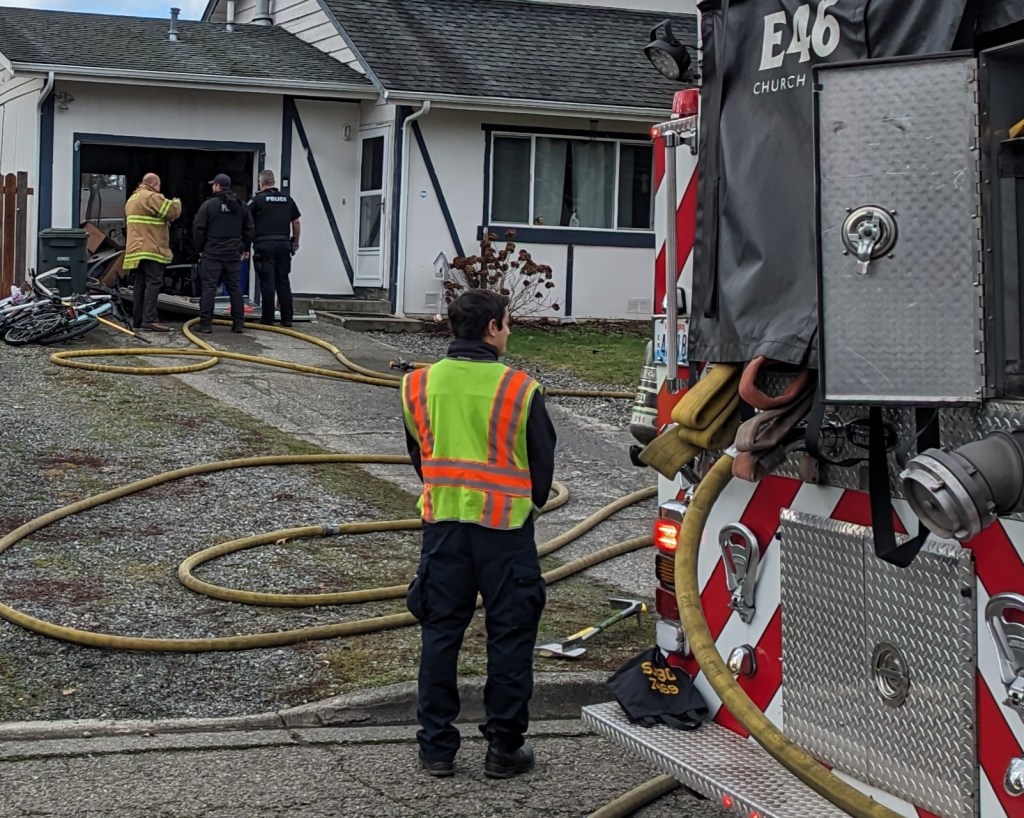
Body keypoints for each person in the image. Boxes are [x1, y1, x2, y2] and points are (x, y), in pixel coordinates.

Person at [401, 289, 557, 780]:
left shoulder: (417, 384)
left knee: (440, 633)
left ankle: (436, 749)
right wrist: (522, 504)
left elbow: (420, 454)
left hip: (443, 528)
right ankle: (503, 749)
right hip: (505, 532)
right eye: (507, 323)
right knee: (509, 636)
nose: (509, 331)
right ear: (492, 327)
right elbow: (542, 468)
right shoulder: (520, 389)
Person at [193, 173, 254, 334]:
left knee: (209, 288)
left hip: (212, 253)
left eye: (213, 185)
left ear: (218, 186)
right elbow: (249, 229)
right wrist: (245, 248)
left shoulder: (209, 205)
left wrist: (199, 249)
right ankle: (238, 324)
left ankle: (206, 325)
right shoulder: (241, 206)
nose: (212, 187)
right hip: (233, 253)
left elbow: (199, 229)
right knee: (235, 287)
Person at [124, 172, 181, 332]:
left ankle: (138, 320)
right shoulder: (151, 197)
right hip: (151, 249)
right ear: (154, 184)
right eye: (159, 185)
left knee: (139, 284)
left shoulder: (132, 199)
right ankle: (150, 319)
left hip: (136, 250)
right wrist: (177, 201)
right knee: (153, 284)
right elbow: (172, 211)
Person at [248, 169, 301, 327]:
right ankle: (287, 319)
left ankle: (268, 318)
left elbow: (246, 222)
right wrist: (295, 242)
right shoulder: (287, 199)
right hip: (284, 245)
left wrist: (245, 243)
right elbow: (296, 222)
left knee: (267, 282)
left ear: (261, 183)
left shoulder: (257, 201)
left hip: (264, 245)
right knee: (283, 281)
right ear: (274, 182)